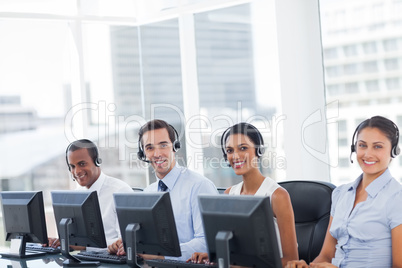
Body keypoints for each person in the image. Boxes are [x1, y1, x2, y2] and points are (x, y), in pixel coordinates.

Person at [286, 116, 402, 268]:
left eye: (378, 146)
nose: (368, 154)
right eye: (362, 145)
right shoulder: (341, 194)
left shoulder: (397, 197)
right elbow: (326, 255)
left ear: (394, 151)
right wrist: (308, 266)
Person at [189, 122, 298, 267]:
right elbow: (234, 251)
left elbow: (292, 261)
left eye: (243, 148)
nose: (235, 156)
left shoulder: (277, 195)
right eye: (229, 150)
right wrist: (212, 257)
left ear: (258, 150)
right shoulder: (229, 194)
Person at [107, 119, 218, 261]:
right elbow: (146, 241)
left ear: (175, 147)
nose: (157, 153)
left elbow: (207, 242)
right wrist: (124, 243)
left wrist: (162, 255)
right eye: (150, 147)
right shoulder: (148, 193)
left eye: (163, 145)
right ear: (143, 154)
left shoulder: (200, 186)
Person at [47, 139, 133, 248]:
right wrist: (61, 243)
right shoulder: (76, 196)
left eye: (82, 164)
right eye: (72, 166)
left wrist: (83, 246)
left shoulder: (120, 191)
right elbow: (75, 240)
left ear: (97, 161)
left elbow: (125, 243)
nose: (77, 171)